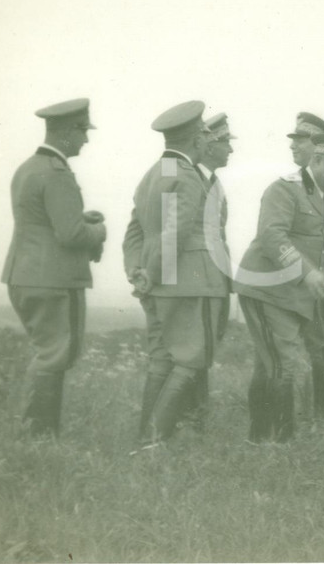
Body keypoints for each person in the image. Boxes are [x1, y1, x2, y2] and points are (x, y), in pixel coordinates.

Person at [235, 132, 324, 443]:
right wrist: (306, 272)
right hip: (266, 289)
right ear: (316, 161)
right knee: (283, 364)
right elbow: (272, 235)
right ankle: (282, 441)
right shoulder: (284, 189)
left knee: (272, 365)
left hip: (290, 296)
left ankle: (259, 439)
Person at [122, 100, 229, 451]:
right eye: (204, 134)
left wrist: (137, 272)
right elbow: (176, 234)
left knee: (162, 358)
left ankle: (145, 438)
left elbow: (136, 230)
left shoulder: (152, 174)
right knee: (191, 359)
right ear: (196, 138)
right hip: (189, 281)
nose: (206, 140)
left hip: (158, 283)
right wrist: (151, 275)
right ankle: (154, 440)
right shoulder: (185, 177)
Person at [2, 98, 106, 436]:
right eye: (82, 132)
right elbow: (71, 234)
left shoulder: (28, 168)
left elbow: (41, 221)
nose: (86, 140)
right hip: (55, 280)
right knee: (57, 355)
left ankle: (34, 433)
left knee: (47, 352)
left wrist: (78, 220)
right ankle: (40, 436)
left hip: (25, 274)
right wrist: (99, 230)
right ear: (66, 132)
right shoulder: (57, 173)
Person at [287, 112, 324, 428]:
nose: (293, 146)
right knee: (296, 348)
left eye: (300, 140)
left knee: (319, 348)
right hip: (298, 279)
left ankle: (318, 415)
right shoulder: (294, 185)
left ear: (319, 148)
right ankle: (299, 413)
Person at [182, 111, 236, 431]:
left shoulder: (212, 182)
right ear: (209, 144)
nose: (231, 149)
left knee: (205, 348)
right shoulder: (192, 179)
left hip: (214, 279)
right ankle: (191, 420)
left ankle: (196, 418)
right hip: (197, 280)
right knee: (194, 349)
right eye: (226, 142)